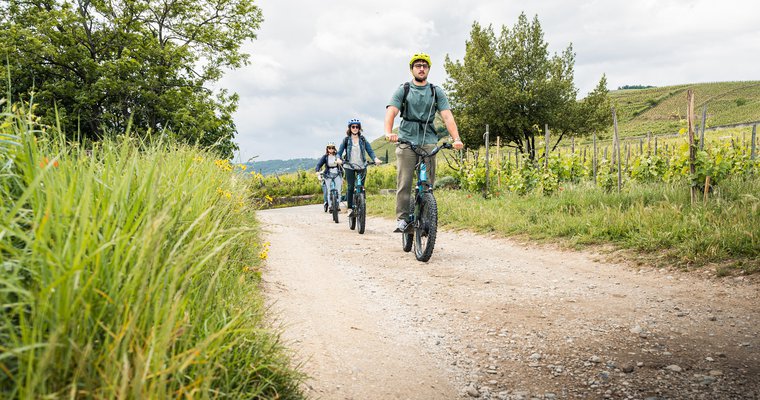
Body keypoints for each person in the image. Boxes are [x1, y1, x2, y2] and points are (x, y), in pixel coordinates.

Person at [384, 52, 464, 232]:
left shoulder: (436, 91)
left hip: (428, 139)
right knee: (404, 182)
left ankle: (427, 214)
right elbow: (392, 111)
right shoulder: (403, 89)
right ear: (412, 69)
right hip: (406, 139)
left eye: (424, 66)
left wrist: (456, 138)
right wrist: (389, 132)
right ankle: (402, 219)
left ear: (428, 69)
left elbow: (447, 116)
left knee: (427, 184)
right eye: (418, 65)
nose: (421, 68)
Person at [338, 118, 383, 216]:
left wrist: (375, 159)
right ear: (350, 128)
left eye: (357, 127)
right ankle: (350, 208)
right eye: (353, 127)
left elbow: (370, 150)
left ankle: (361, 205)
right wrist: (338, 159)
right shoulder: (346, 140)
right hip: (349, 166)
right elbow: (339, 152)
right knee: (350, 187)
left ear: (359, 128)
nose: (355, 128)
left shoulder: (363, 139)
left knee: (361, 187)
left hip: (362, 166)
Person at [315, 142, 343, 212]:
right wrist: (317, 171)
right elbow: (319, 164)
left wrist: (340, 161)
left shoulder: (337, 155)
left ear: (334, 149)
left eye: (332, 148)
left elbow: (341, 160)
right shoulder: (325, 157)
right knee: (329, 191)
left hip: (337, 173)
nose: (331, 149)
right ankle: (330, 206)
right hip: (328, 174)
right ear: (327, 149)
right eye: (329, 148)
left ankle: (338, 205)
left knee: (339, 190)